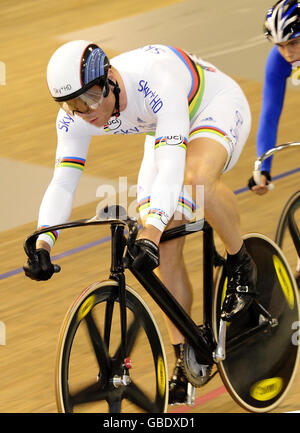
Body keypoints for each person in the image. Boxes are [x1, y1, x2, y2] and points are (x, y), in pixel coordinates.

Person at [23, 40, 256, 405]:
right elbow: (64, 180)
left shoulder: (155, 80)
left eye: (92, 98)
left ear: (111, 78)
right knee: (162, 246)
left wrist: (150, 228)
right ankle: (184, 353)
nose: (86, 112)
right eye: (74, 105)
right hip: (162, 129)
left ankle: (241, 262)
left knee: (195, 176)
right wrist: (43, 242)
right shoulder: (77, 113)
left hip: (212, 105)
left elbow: (172, 166)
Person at [248, 0, 300, 287]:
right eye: (280, 45)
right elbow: (270, 113)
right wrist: (263, 165)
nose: (286, 53)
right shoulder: (279, 59)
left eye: (293, 43)